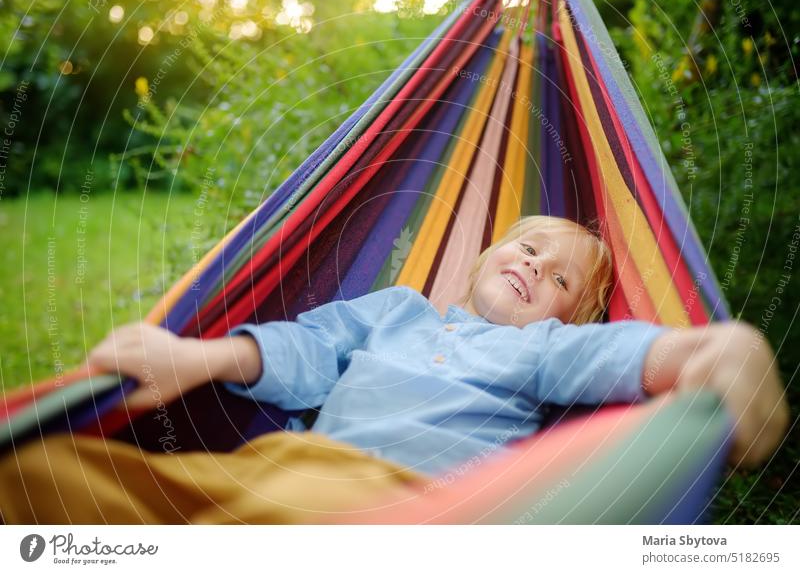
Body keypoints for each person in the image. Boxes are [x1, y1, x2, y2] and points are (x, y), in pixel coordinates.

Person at [0, 216, 789, 523]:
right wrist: (194, 356)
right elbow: (310, 347)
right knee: (39, 471)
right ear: (482, 258)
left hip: (385, 505)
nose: (534, 267)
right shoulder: (400, 309)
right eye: (527, 247)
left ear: (567, 317)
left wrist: (724, 347)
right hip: (256, 468)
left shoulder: (540, 351)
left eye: (559, 281)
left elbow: (620, 355)